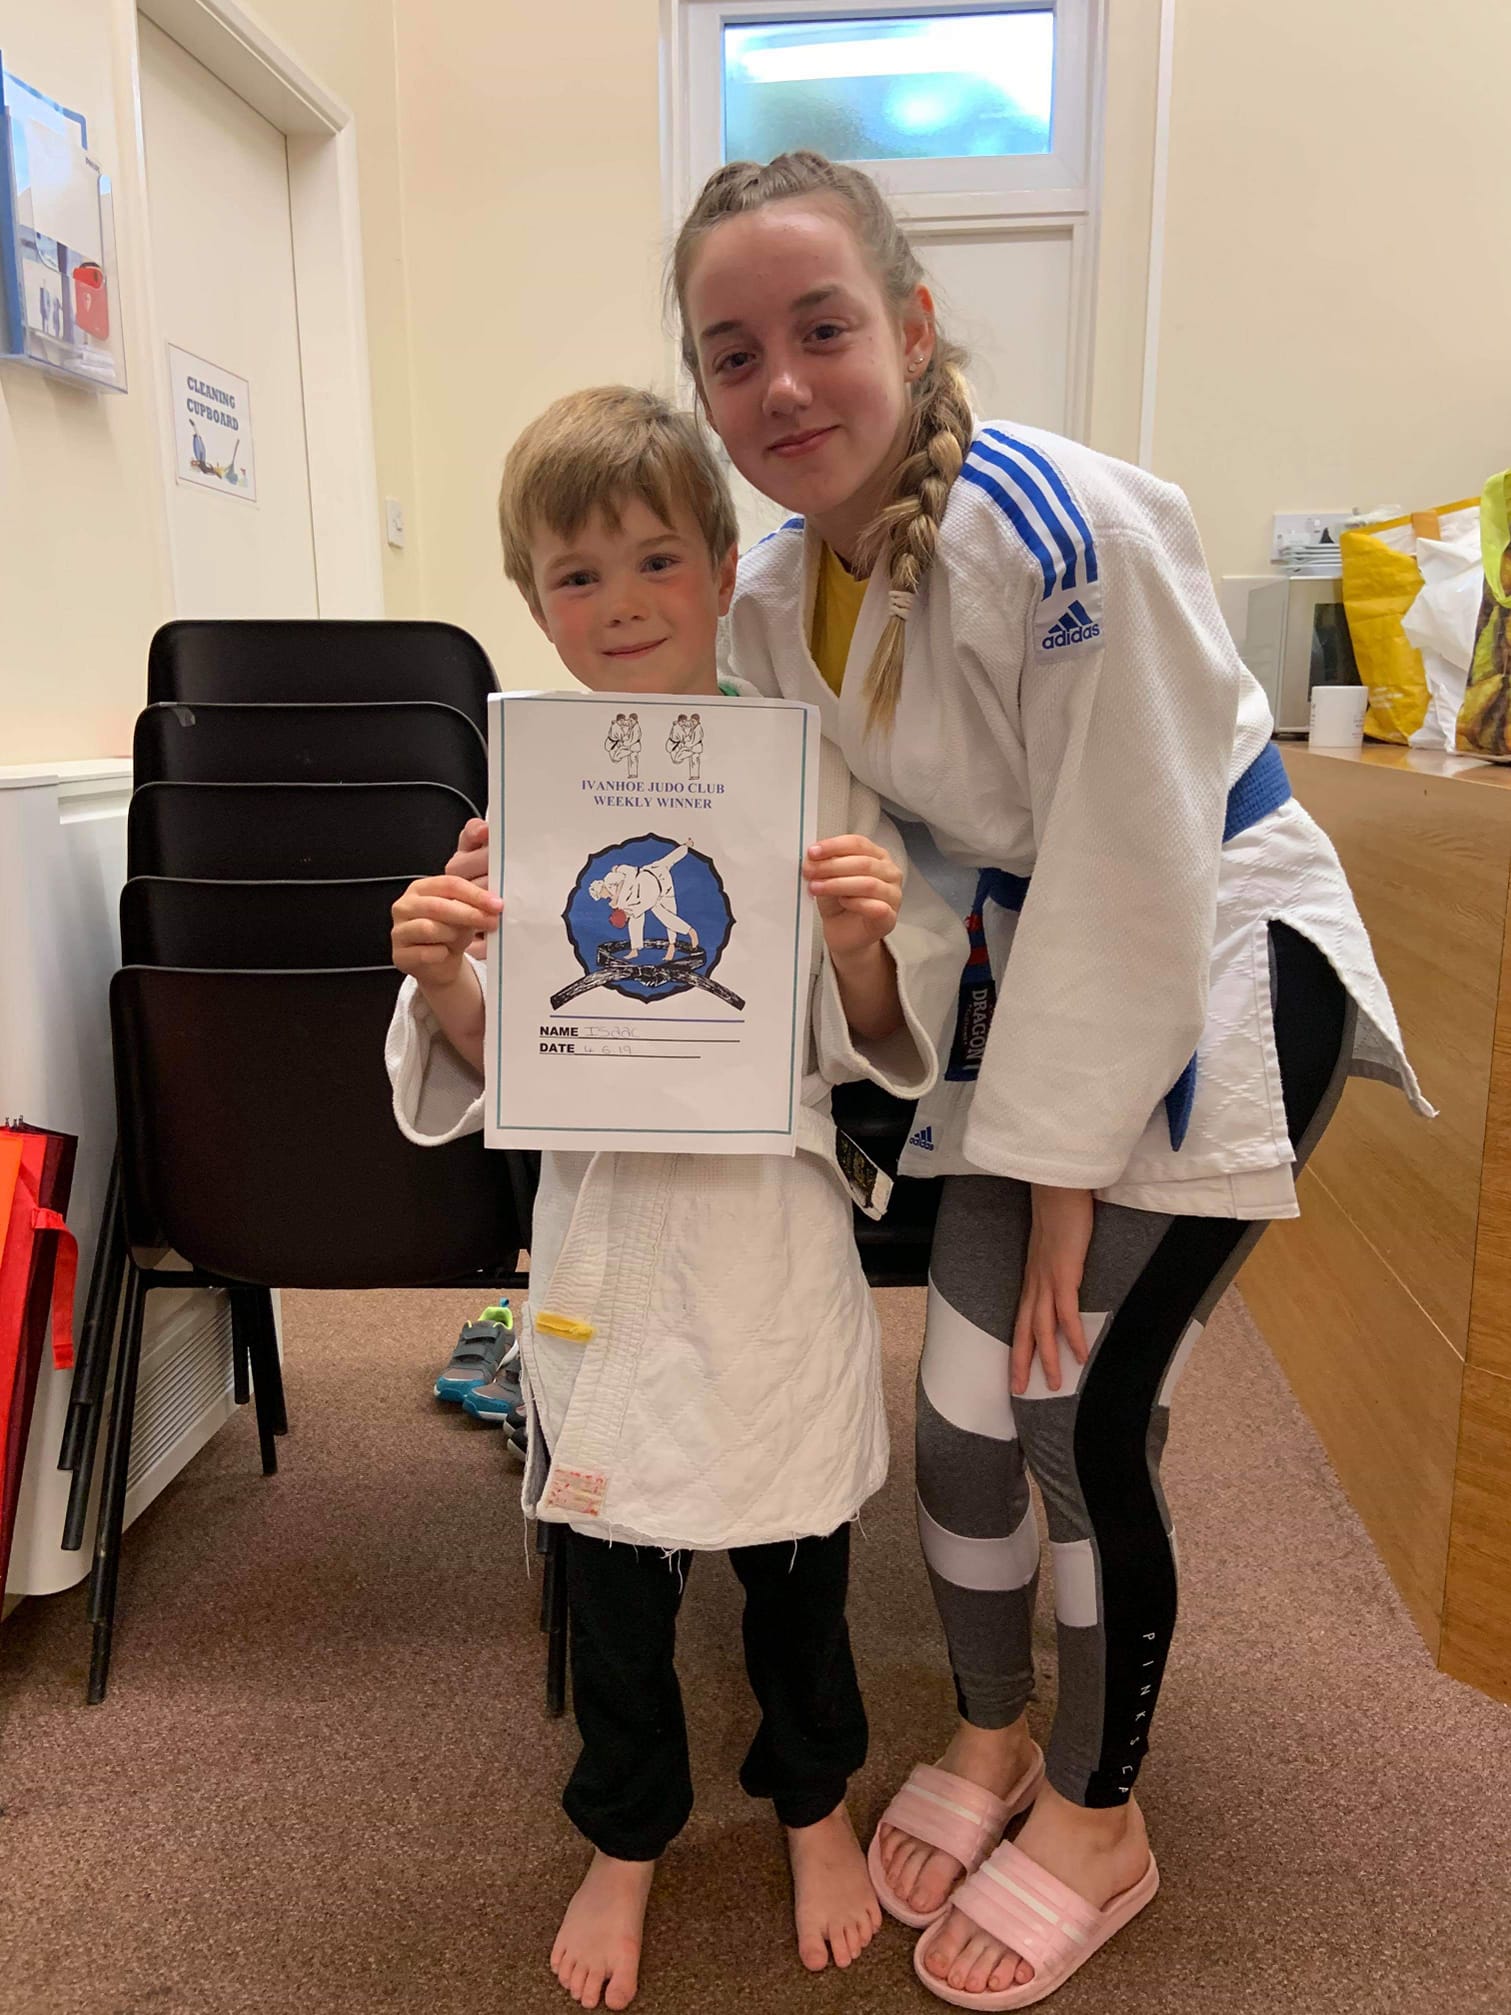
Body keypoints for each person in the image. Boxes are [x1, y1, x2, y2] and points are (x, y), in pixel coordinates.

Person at [658, 152, 1428, 2010]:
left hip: (1217, 959)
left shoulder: (1057, 529)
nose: (782, 387)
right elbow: (867, 851)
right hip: (1030, 986)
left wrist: (1065, 1154)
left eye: (824, 329)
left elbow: (1139, 852)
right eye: (732, 352)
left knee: (1075, 1417)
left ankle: (1101, 1805)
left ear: (914, 330)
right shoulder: (776, 592)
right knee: (956, 1409)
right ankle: (995, 1726)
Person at [386, 386, 966, 2012]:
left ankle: (812, 1800)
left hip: (765, 1255)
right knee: (618, 1591)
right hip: (603, 1255)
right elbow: (487, 1064)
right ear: (530, 602)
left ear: (725, 568)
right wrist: (443, 978)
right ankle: (627, 1832)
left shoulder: (809, 784)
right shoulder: (526, 804)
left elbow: (879, 1047)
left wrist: (859, 944)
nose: (622, 600)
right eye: (575, 576)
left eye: (656, 557)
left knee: (798, 1571)